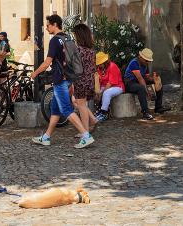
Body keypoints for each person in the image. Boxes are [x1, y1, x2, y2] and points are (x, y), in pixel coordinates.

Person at [31, 15, 94, 149]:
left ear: (55, 24)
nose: (47, 28)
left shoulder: (55, 41)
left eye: (48, 25)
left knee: (66, 109)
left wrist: (35, 73)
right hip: (68, 77)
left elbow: (47, 62)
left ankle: (86, 136)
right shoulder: (67, 38)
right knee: (55, 109)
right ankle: (46, 137)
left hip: (60, 80)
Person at [123, 48, 170, 120]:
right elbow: (140, 78)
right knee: (141, 88)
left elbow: (147, 78)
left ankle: (158, 107)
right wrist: (148, 90)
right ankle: (145, 111)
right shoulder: (134, 63)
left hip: (137, 82)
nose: (147, 62)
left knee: (158, 84)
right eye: (146, 60)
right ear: (141, 57)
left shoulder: (145, 65)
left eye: (148, 61)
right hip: (129, 83)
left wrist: (155, 80)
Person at [71, 24, 98, 138]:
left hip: (81, 80)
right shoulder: (92, 51)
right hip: (90, 80)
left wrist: (72, 82)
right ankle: (88, 126)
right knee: (81, 104)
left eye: (75, 33)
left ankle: (85, 133)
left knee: (81, 106)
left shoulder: (77, 50)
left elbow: (75, 68)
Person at [95, 52, 125, 121]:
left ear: (105, 62)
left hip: (116, 86)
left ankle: (103, 113)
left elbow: (110, 83)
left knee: (106, 93)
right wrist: (97, 92)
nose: (99, 66)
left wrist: (101, 92)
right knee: (95, 93)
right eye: (99, 64)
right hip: (105, 86)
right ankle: (96, 111)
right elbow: (99, 81)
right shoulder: (100, 69)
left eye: (101, 64)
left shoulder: (113, 66)